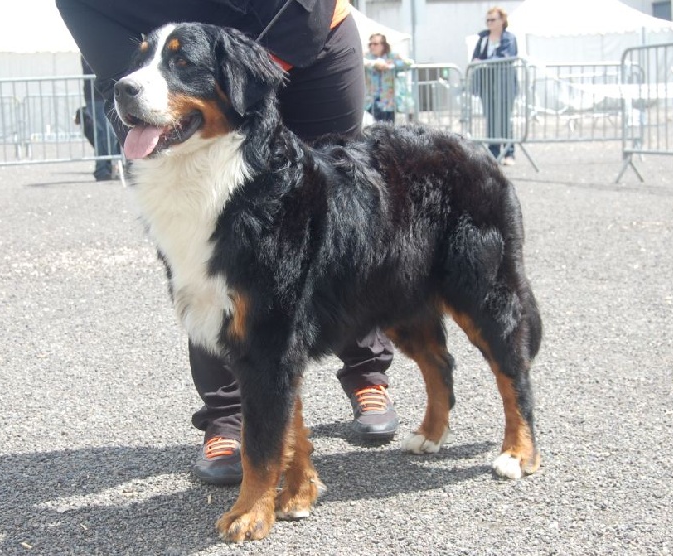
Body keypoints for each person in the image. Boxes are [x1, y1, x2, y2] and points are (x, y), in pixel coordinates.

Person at [56, 0, 399, 485]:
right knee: (199, 250)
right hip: (177, 59)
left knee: (336, 217)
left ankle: (366, 371)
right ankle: (227, 416)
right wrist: (143, 77)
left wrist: (248, 69)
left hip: (304, 33)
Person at [471, 6, 518, 165]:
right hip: (487, 83)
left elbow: (506, 57)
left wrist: (483, 62)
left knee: (504, 118)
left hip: (504, 84)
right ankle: (493, 151)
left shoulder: (509, 38)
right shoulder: (483, 39)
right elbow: (476, 57)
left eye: (493, 19)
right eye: (487, 20)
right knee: (490, 117)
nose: (489, 23)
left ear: (502, 20)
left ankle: (509, 152)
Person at [80, 57, 121, 181]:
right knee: (108, 133)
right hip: (96, 96)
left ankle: (102, 169)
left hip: (100, 95)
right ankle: (114, 164)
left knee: (101, 133)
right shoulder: (89, 49)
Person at [364, 33, 412, 123]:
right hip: (371, 99)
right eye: (370, 44)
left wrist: (392, 64)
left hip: (388, 100)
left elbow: (409, 63)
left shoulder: (391, 56)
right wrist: (374, 64)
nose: (372, 47)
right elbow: (360, 61)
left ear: (383, 45)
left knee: (389, 127)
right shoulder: (367, 57)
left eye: (375, 44)